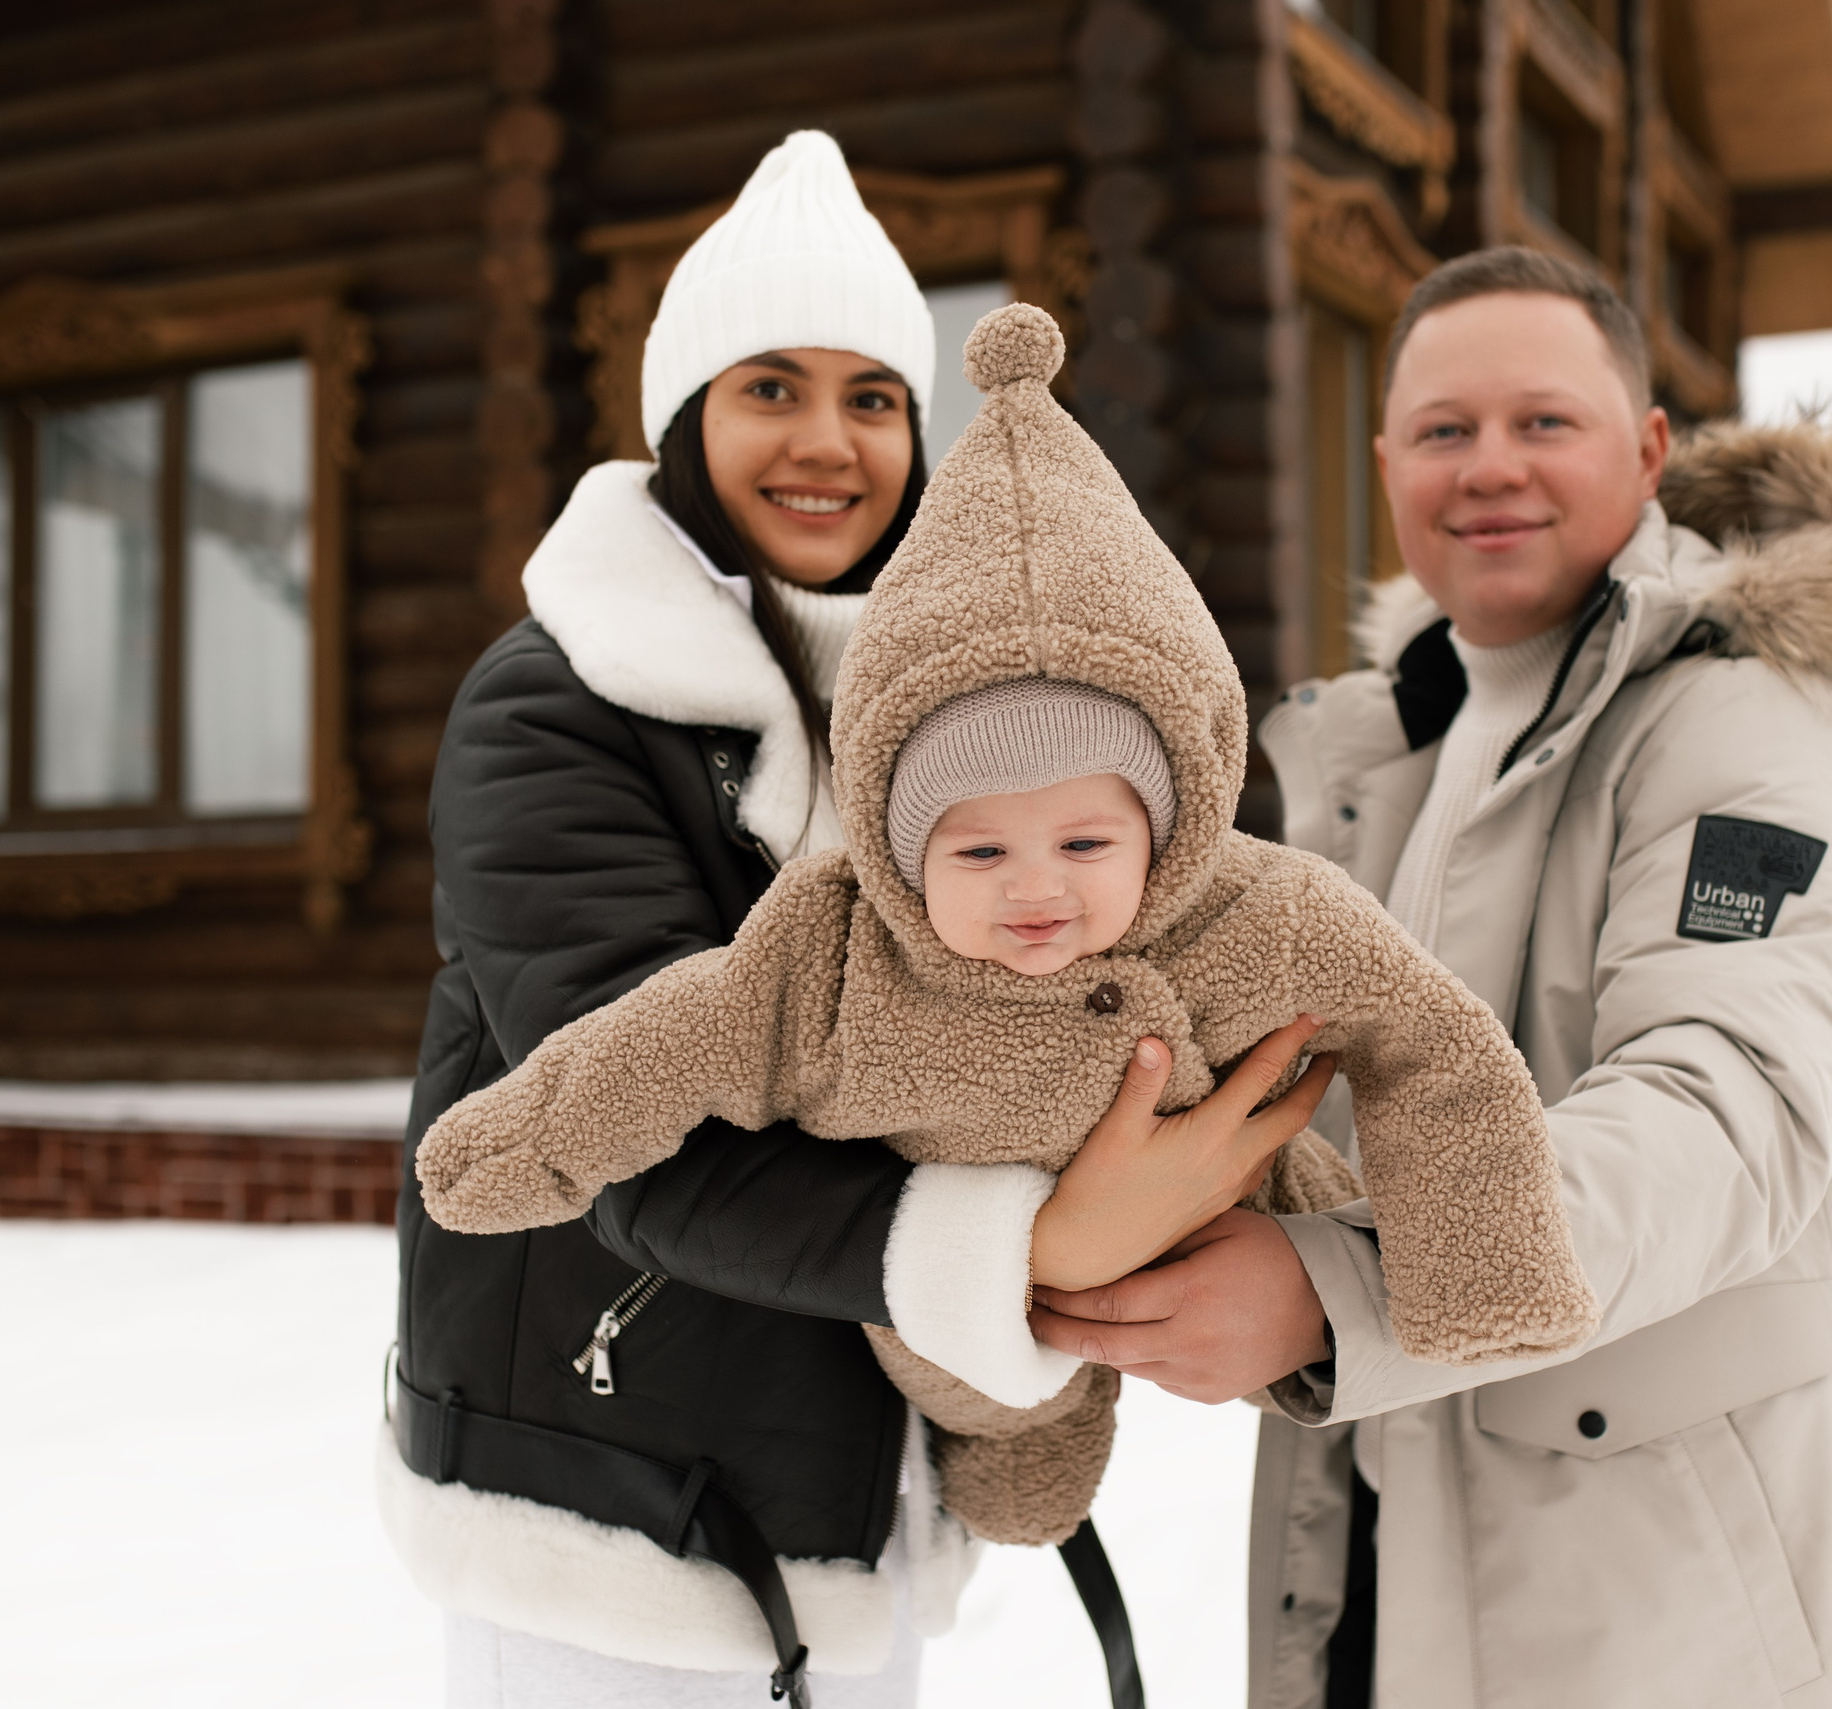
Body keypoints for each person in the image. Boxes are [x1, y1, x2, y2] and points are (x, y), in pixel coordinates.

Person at [410, 303, 1599, 1554]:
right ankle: (1029, 1436)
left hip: (1047, 1340)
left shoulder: (1255, 909)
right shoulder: (803, 917)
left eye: (1086, 845)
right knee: (1002, 1417)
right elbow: (666, 1043)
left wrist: (1471, 1267)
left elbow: (1433, 1042)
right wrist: (529, 1140)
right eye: (978, 852)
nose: (1037, 889)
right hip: (643, 1461)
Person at [382, 133, 1315, 1709]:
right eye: (773, 387)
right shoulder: (557, 705)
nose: (829, 442)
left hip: (858, 1488)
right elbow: (631, 1126)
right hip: (610, 1508)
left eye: (874, 398)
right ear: (685, 414)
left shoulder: (950, 709)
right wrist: (1030, 1249)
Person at [1032, 246, 1832, 1708]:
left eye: (1544, 420)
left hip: (1702, 1611)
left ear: (1649, 452)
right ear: (1385, 463)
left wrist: (1334, 1293)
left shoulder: (1754, 730)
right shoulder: (1381, 755)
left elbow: (1720, 1113)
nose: (1489, 465)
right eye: (1443, 428)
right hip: (1395, 1548)